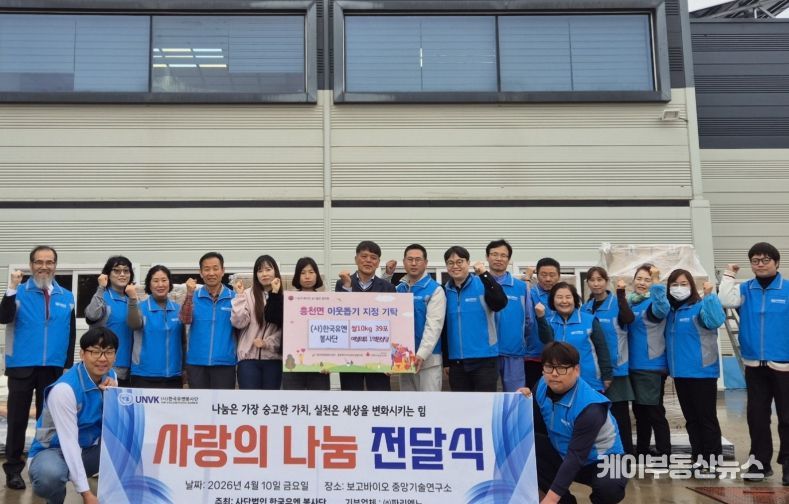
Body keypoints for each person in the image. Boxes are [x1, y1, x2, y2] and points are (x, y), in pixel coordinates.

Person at [0, 245, 76, 491]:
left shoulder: (67, 296)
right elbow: (3, 317)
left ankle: (41, 467)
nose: (44, 266)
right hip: (21, 365)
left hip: (52, 367)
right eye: (39, 262)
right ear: (31, 265)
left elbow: (71, 333)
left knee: (48, 421)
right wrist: (11, 288)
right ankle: (13, 469)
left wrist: (66, 365)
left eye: (49, 262)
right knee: (17, 420)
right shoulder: (18, 292)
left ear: (55, 265)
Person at [519, 342, 627, 504]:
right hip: (563, 452)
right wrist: (521, 401)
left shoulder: (590, 408)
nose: (554, 374)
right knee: (525, 446)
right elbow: (531, 425)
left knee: (609, 488)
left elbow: (575, 457)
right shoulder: (541, 385)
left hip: (602, 460)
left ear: (576, 370)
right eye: (549, 367)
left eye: (562, 368)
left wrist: (550, 500)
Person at [719, 242, 789, 484]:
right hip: (754, 365)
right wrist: (729, 274)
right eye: (755, 261)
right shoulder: (745, 289)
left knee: (787, 418)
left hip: (784, 366)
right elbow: (725, 300)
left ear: (777, 262)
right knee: (757, 417)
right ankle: (760, 464)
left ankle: (788, 464)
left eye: (765, 260)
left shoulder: (787, 289)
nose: (760, 264)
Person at [28, 326, 118, 504]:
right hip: (53, 451)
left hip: (88, 448)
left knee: (132, 447)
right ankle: (55, 496)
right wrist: (86, 493)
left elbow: (114, 424)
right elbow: (69, 442)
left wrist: (113, 395)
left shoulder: (111, 377)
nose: (103, 358)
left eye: (109, 352)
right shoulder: (64, 390)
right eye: (95, 352)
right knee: (50, 477)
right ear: (82, 354)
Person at [662, 269, 725, 470]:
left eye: (683, 284)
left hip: (702, 373)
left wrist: (710, 296)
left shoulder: (700, 306)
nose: (679, 288)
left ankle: (713, 460)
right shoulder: (671, 312)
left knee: (706, 419)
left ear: (691, 286)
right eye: (674, 284)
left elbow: (716, 321)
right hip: (680, 374)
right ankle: (698, 457)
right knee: (691, 419)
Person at [582, 267, 635, 455]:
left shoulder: (616, 304)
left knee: (620, 416)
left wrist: (621, 295)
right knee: (597, 414)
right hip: (593, 371)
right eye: (592, 280)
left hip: (616, 369)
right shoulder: (585, 308)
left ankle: (626, 454)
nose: (596, 283)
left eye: (600, 279)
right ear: (587, 283)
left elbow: (629, 318)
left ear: (606, 281)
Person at [443, 245, 507, 392]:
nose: (455, 266)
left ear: (468, 262)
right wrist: (446, 361)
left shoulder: (482, 284)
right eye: (450, 263)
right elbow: (444, 328)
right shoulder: (444, 291)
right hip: (456, 363)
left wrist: (484, 274)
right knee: (462, 405)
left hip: (485, 360)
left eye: (460, 261)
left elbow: (500, 302)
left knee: (485, 404)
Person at [335, 240, 396, 391]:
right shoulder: (342, 283)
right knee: (350, 395)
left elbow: (394, 324)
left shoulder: (388, 287)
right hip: (350, 352)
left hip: (379, 353)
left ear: (378, 262)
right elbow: (340, 315)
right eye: (364, 256)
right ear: (356, 259)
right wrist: (347, 287)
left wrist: (393, 358)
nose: (368, 260)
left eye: (373, 257)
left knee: (380, 396)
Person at [626, 264, 671, 457]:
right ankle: (642, 450)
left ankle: (664, 452)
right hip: (633, 366)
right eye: (639, 278)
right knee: (640, 413)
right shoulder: (631, 303)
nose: (642, 283)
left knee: (654, 412)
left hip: (651, 366)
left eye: (647, 280)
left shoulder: (654, 302)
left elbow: (662, 310)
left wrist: (657, 283)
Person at [535, 282, 613, 393]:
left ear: (575, 299)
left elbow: (602, 349)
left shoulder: (589, 320)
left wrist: (607, 375)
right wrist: (540, 317)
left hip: (589, 381)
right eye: (559, 297)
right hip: (561, 383)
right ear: (552, 300)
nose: (564, 301)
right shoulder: (548, 322)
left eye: (568, 297)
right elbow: (547, 341)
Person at [181, 252, 237, 389]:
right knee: (199, 402)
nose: (211, 273)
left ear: (223, 271)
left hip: (225, 363)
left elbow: (242, 324)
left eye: (215, 268)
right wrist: (189, 294)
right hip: (196, 363)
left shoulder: (234, 298)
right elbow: (184, 319)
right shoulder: (193, 297)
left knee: (223, 402)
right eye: (206, 269)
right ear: (201, 273)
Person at [394, 244, 446, 392]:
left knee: (429, 404)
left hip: (428, 361)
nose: (414, 263)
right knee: (408, 404)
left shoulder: (435, 290)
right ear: (404, 262)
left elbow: (434, 326)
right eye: (410, 259)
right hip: (403, 358)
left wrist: (422, 354)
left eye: (418, 259)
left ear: (426, 263)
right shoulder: (399, 289)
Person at [485, 239, 532, 392]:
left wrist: (518, 340)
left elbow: (529, 320)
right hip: (485, 353)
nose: (499, 258)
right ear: (487, 257)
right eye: (494, 254)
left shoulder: (520, 287)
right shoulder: (478, 284)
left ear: (509, 259)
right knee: (488, 399)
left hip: (513, 352)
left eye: (503, 255)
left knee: (515, 397)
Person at [231, 255, 284, 390]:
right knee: (249, 401)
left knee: (270, 400)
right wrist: (240, 296)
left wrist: (267, 343)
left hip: (273, 359)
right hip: (248, 360)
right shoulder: (246, 294)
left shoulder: (284, 297)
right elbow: (238, 323)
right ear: (256, 274)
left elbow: (285, 330)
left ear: (275, 272)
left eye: (268, 269)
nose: (264, 274)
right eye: (260, 271)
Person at [128, 265, 185, 389]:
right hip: (144, 375)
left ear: (169, 283)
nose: (160, 284)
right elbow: (133, 325)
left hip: (173, 376)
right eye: (155, 281)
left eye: (164, 280)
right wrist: (132, 300)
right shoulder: (140, 308)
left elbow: (183, 341)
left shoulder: (178, 309)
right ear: (149, 284)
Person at [84, 255, 136, 387]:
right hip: (106, 366)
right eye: (117, 271)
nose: (122, 274)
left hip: (132, 368)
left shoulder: (132, 299)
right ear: (107, 274)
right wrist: (101, 288)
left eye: (126, 271)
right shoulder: (103, 296)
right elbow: (91, 315)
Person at [282, 257, 331, 390]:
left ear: (317, 275)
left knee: (320, 401)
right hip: (292, 362)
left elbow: (333, 332)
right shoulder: (288, 299)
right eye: (302, 273)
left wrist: (331, 362)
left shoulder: (327, 300)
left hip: (320, 364)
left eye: (311, 272)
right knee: (293, 401)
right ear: (297, 276)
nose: (307, 276)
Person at [524, 258, 561, 389]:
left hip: (560, 356)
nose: (548, 279)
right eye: (543, 275)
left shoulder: (563, 296)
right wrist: (527, 277)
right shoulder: (531, 293)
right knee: (534, 393)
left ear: (559, 276)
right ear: (537, 275)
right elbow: (522, 297)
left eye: (552, 275)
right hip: (534, 355)